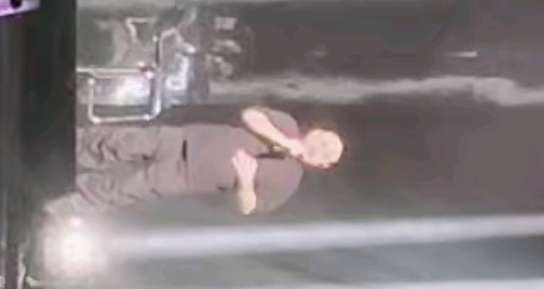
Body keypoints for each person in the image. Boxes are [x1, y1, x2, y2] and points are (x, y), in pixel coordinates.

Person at [48, 106, 344, 220]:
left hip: (181, 178)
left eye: (324, 153)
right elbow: (251, 115)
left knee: (116, 190)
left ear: (321, 165)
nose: (319, 148)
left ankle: (45, 203)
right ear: (316, 131)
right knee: (112, 143)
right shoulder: (287, 124)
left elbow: (249, 208)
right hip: (180, 139)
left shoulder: (289, 180)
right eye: (323, 140)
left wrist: (245, 181)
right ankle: (49, 145)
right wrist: (282, 140)